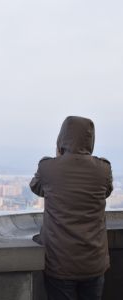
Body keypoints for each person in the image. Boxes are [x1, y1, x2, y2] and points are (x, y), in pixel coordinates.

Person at [30, 116, 113, 300]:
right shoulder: (103, 169)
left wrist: (60, 156)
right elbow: (105, 192)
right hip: (94, 263)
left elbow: (35, 187)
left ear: (62, 139)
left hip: (60, 264)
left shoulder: (48, 167)